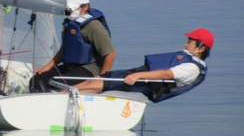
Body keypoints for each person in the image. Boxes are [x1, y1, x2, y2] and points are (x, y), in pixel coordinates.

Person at [74, 28, 214, 103]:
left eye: (190, 41)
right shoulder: (188, 58)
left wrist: (138, 75)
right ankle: (65, 95)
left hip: (144, 83)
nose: (186, 43)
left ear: (201, 48)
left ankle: (63, 97)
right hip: (140, 75)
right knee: (94, 81)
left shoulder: (192, 68)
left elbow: (166, 74)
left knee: (97, 83)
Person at [30, 0, 116, 92]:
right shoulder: (70, 24)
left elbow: (110, 54)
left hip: (88, 69)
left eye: (71, 10)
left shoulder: (94, 26)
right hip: (69, 66)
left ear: (85, 6)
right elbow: (64, 50)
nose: (68, 13)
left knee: (55, 84)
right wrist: (47, 67)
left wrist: (102, 79)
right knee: (37, 80)